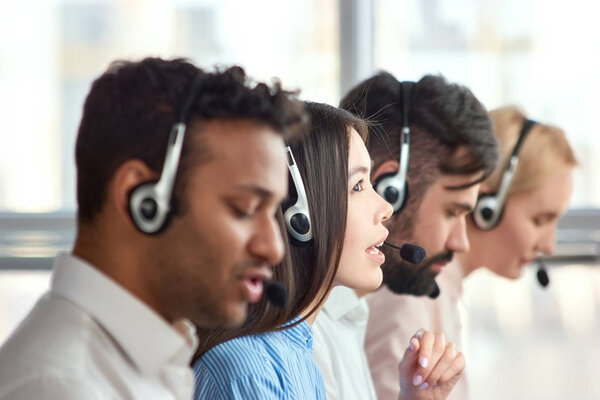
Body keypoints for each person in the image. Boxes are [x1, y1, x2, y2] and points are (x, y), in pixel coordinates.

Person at [0, 57, 306, 399]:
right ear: (143, 200)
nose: (274, 247)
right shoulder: (61, 388)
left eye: (273, 211)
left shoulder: (152, 362)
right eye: (244, 209)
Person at [193, 102, 465, 400]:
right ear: (299, 216)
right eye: (358, 186)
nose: (386, 209)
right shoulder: (251, 372)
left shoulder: (298, 357)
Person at [367, 105, 576, 400]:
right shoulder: (411, 293)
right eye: (539, 220)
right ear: (488, 205)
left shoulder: (444, 294)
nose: (548, 246)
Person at [311, 72, 499, 400]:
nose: (461, 243)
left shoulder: (350, 317)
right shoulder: (310, 339)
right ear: (391, 191)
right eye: (452, 212)